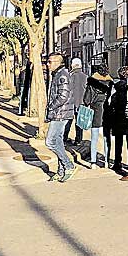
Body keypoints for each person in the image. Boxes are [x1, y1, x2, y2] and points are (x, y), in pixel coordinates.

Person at [43, 53, 76, 182]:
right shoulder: (58, 74)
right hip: (60, 113)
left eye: (50, 62)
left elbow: (63, 96)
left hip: (60, 113)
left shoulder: (62, 75)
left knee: (50, 142)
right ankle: (61, 170)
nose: (47, 64)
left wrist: (51, 106)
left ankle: (69, 165)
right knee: (58, 142)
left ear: (57, 62)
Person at [104, 66, 128, 175]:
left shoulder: (114, 88)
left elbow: (110, 103)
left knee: (118, 142)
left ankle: (117, 162)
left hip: (117, 118)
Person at [83, 65, 112, 168]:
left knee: (94, 137)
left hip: (96, 112)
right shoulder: (110, 83)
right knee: (106, 138)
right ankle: (107, 161)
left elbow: (86, 100)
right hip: (107, 113)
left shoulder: (92, 83)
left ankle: (93, 162)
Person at [62, 57, 88, 149]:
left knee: (68, 121)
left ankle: (64, 139)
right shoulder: (85, 77)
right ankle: (78, 140)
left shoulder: (69, 76)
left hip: (70, 102)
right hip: (81, 102)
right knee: (79, 122)